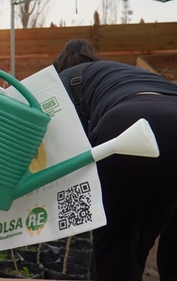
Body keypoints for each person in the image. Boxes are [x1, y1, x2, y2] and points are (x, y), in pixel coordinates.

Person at [54, 40, 177, 281]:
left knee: (118, 252)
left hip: (132, 123)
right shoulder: (125, 72)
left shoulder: (64, 79)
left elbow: (63, 145)